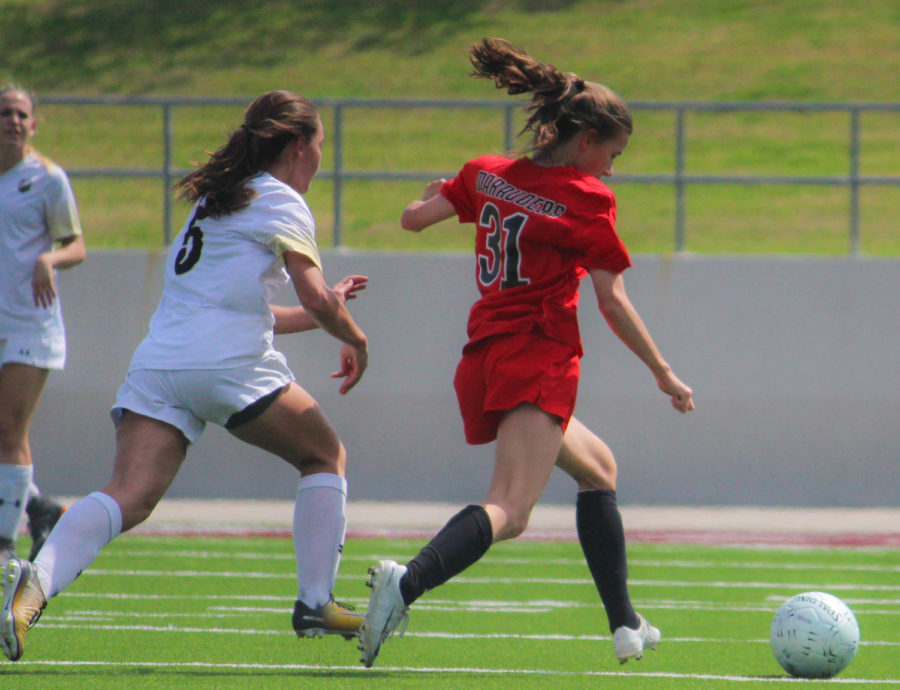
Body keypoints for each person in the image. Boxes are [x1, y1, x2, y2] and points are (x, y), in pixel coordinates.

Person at [359, 38, 695, 668]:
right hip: (537, 354)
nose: (612, 171)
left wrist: (440, 191)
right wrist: (664, 372)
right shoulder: (586, 199)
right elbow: (612, 300)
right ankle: (405, 585)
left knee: (598, 469)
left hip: (485, 353)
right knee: (510, 510)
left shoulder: (488, 173)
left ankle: (625, 625)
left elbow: (410, 220)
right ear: (587, 138)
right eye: (612, 155)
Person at [1, 90, 371, 662]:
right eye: (321, 145)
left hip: (161, 365)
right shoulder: (281, 200)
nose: (322, 158)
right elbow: (314, 296)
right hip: (227, 366)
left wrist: (328, 308)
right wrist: (352, 334)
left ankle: (36, 583)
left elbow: (255, 308)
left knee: (127, 496)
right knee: (325, 456)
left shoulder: (217, 201)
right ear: (299, 145)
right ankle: (316, 602)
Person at [0, 85, 84, 567]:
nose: (13, 120)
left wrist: (50, 259)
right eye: (5, 113)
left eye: (20, 114)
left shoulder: (48, 178)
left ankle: (4, 543)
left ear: (33, 124)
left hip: (31, 323)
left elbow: (77, 244)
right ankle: (39, 506)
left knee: (10, 430)